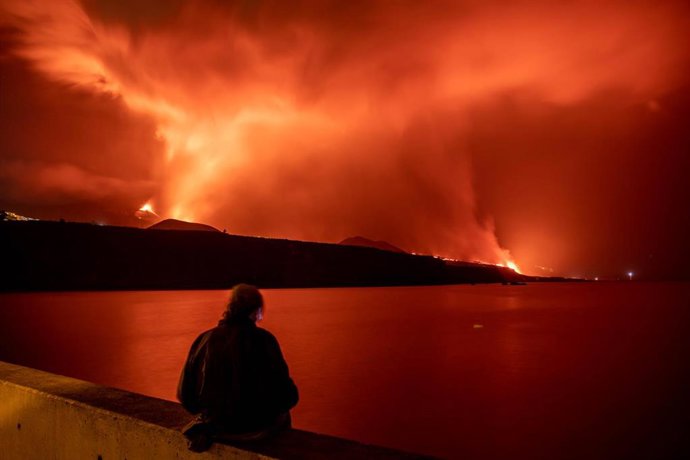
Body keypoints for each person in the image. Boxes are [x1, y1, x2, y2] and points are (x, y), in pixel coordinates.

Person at [177, 284, 298, 451]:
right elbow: (288, 396)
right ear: (256, 311)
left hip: (216, 428)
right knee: (284, 417)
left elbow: (185, 395)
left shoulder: (204, 340)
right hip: (256, 430)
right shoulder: (265, 340)